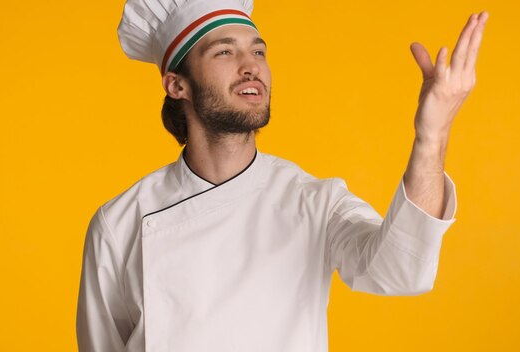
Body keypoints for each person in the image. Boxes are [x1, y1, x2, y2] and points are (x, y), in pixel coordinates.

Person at [76, 0, 489, 351]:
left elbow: (402, 271)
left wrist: (432, 136)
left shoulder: (315, 202)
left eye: (258, 52)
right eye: (224, 52)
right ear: (176, 84)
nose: (250, 67)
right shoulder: (118, 224)